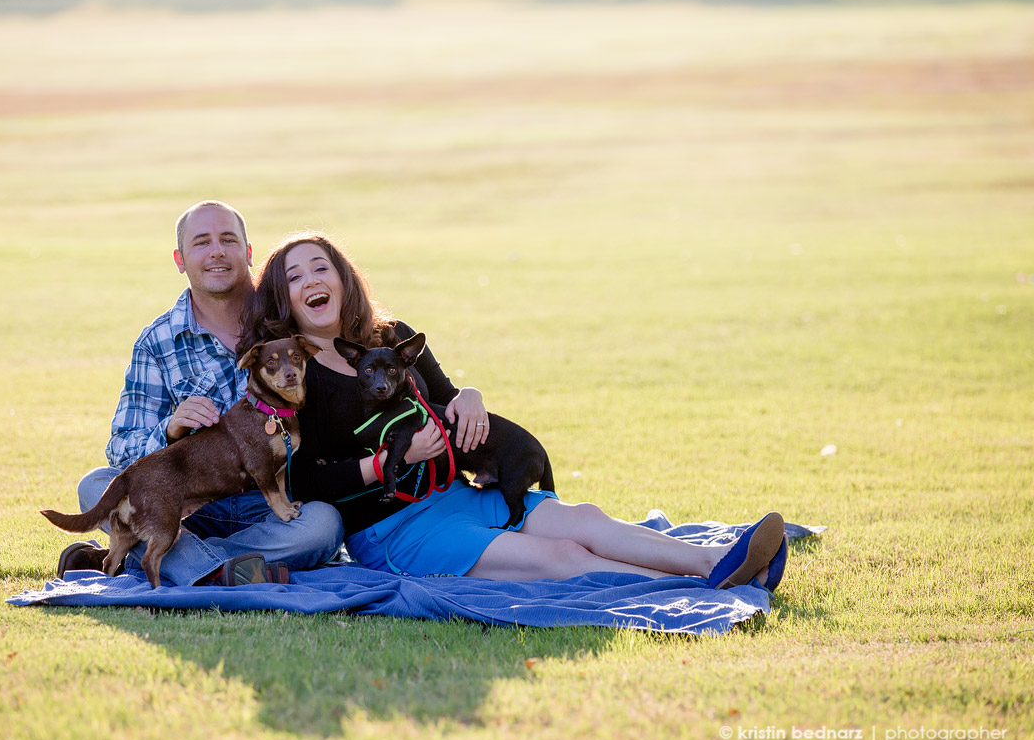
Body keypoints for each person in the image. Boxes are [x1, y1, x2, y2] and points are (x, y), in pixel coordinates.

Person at [241, 231, 787, 588]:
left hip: (459, 491)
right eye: (295, 277)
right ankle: (700, 585)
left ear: (342, 278)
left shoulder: (393, 337)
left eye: (321, 268)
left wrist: (469, 396)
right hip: (394, 531)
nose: (312, 280)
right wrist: (382, 467)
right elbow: (309, 484)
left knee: (583, 521)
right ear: (285, 300)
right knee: (560, 559)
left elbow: (451, 399)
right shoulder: (297, 377)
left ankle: (715, 562)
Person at [58, 202, 343, 586]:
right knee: (96, 484)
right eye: (202, 243)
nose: (217, 252)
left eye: (228, 240)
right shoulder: (158, 341)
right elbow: (121, 446)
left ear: (248, 252)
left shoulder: (284, 323)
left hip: (268, 506)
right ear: (180, 259)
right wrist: (170, 429)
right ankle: (221, 570)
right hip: (184, 504)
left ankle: (172, 562)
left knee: (325, 526)